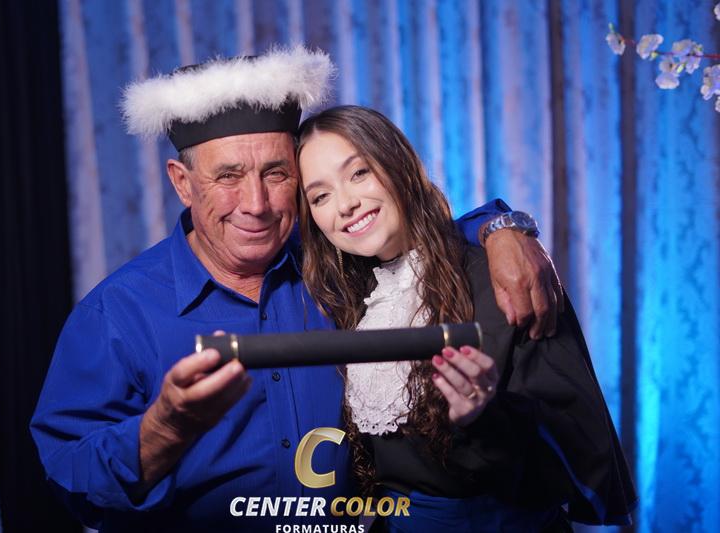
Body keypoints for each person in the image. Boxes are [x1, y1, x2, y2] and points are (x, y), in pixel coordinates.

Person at [31, 47, 564, 532]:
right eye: (228, 176)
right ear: (182, 182)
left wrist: (501, 228)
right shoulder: (116, 313)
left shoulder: (339, 264)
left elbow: (410, 232)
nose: (256, 204)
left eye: (276, 173)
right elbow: (72, 481)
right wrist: (163, 429)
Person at [296, 105, 637, 532]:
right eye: (320, 196)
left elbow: (567, 445)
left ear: (397, 163)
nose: (346, 204)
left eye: (359, 173)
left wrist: (484, 416)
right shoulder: (349, 300)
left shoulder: (500, 278)